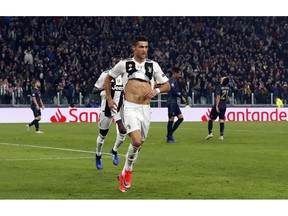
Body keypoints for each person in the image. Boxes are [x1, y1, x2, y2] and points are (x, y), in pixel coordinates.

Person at [104, 36, 170, 192]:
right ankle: (129, 171)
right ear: (133, 48)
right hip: (130, 108)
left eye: (146, 47)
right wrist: (109, 98)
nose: (144, 50)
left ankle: (124, 173)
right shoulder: (124, 64)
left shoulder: (153, 65)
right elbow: (108, 78)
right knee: (137, 140)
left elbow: (167, 85)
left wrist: (157, 90)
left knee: (139, 145)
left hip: (145, 109)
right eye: (141, 47)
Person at [93, 55, 126, 170]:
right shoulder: (105, 75)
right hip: (106, 108)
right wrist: (105, 88)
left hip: (120, 108)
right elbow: (94, 90)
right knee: (102, 135)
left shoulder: (124, 76)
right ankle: (98, 155)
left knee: (123, 133)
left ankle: (114, 150)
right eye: (115, 62)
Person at [166, 67, 186, 143]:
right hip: (171, 102)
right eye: (179, 74)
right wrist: (181, 97)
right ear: (175, 73)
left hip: (174, 102)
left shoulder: (175, 81)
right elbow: (173, 92)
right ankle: (169, 137)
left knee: (181, 118)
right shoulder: (171, 81)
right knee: (171, 119)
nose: (180, 75)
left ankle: (170, 134)